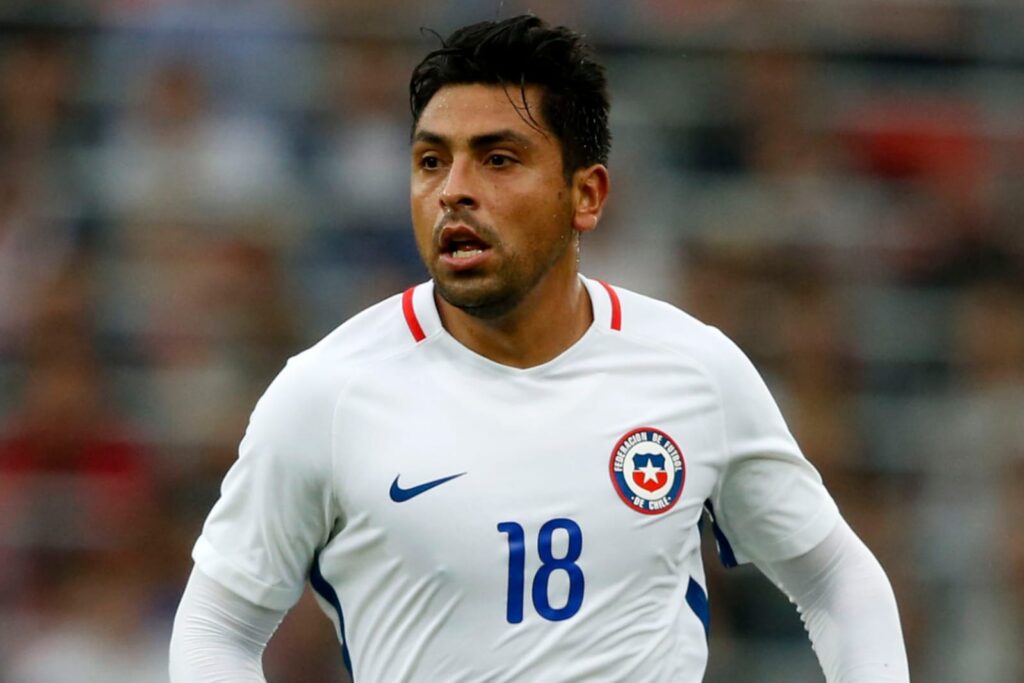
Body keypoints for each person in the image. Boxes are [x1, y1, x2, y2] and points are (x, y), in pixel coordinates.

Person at [169, 15, 910, 682]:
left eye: (497, 159)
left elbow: (835, 576)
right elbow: (216, 625)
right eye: (432, 161)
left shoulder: (695, 370)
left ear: (585, 195)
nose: (454, 190)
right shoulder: (326, 392)